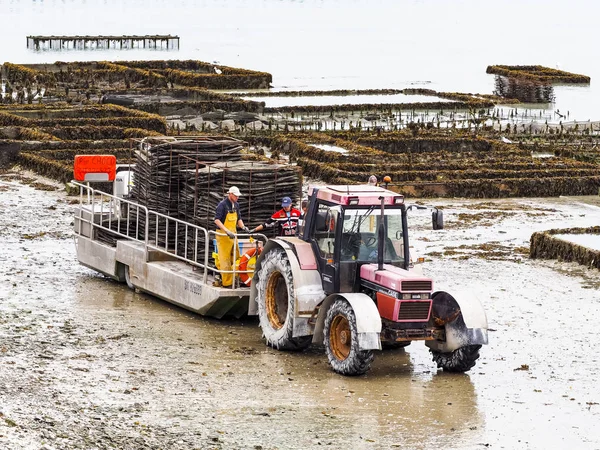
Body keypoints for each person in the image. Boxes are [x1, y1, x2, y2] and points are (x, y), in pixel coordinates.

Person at [214, 186, 250, 288]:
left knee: (236, 257)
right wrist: (226, 231)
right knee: (225, 260)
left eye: (238, 196)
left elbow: (239, 218)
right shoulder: (222, 205)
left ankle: (238, 278)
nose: (237, 197)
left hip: (233, 236)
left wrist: (243, 227)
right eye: (236, 196)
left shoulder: (236, 205)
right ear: (230, 194)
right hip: (223, 236)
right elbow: (217, 220)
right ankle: (227, 283)